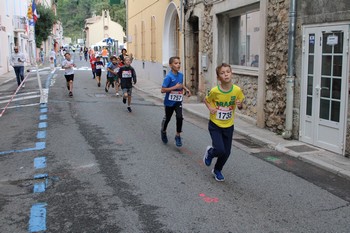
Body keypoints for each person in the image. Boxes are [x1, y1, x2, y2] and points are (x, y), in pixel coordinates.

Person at [203, 63, 245, 182]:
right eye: (222, 73)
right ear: (218, 77)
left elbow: (241, 105)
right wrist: (210, 108)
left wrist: (240, 105)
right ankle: (210, 152)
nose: (226, 74)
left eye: (228, 71)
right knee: (220, 149)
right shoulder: (215, 91)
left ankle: (217, 170)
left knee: (226, 152)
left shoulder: (237, 90)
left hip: (229, 126)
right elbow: (206, 100)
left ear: (231, 74)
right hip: (215, 125)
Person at [160, 56, 192, 147]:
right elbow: (163, 90)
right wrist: (174, 88)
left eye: (179, 63)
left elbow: (180, 84)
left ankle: (178, 135)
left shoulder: (181, 75)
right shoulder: (168, 77)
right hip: (169, 102)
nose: (178, 65)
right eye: (176, 63)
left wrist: (186, 89)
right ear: (170, 65)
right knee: (168, 118)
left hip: (178, 101)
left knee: (179, 117)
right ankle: (163, 131)